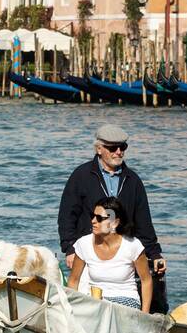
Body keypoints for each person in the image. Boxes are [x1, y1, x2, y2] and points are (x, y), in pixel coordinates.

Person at [57, 122, 166, 299]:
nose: (118, 152)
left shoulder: (133, 180)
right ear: (99, 149)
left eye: (122, 147)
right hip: (90, 253)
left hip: (123, 254)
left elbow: (143, 221)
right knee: (85, 304)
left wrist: (155, 254)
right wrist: (70, 248)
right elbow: (66, 216)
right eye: (113, 148)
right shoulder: (81, 176)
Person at [67, 198, 152, 312]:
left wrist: (144, 316)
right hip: (96, 301)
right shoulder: (84, 244)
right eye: (93, 216)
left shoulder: (132, 245)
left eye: (99, 218)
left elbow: (146, 280)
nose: (93, 221)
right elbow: (73, 280)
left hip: (126, 302)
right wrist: (71, 309)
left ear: (115, 223)